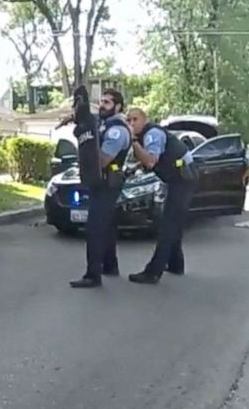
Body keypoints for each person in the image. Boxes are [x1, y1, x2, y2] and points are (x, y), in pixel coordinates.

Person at [125, 108, 198, 284]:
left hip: (182, 179)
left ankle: (153, 272)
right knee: (173, 222)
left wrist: (134, 142)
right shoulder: (148, 135)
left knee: (168, 225)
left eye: (135, 119)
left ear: (144, 120)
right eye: (128, 120)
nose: (131, 123)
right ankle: (175, 264)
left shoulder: (152, 134)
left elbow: (150, 161)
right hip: (177, 179)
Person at [69, 88, 132, 288]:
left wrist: (86, 147)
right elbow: (87, 119)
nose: (102, 105)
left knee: (95, 228)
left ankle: (92, 275)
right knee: (108, 226)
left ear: (118, 106)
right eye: (101, 101)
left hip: (107, 183)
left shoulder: (117, 130)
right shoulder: (105, 124)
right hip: (103, 182)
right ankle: (110, 265)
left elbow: (102, 160)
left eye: (107, 102)